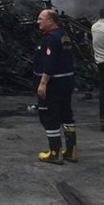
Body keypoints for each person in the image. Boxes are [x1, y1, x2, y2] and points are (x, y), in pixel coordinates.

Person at [34, 9, 77, 164]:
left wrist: (43, 83)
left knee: (49, 117)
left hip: (54, 85)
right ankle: (71, 152)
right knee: (66, 116)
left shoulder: (51, 39)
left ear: (51, 21)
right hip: (67, 82)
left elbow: (50, 63)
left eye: (41, 19)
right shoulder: (63, 35)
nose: (38, 21)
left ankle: (55, 153)